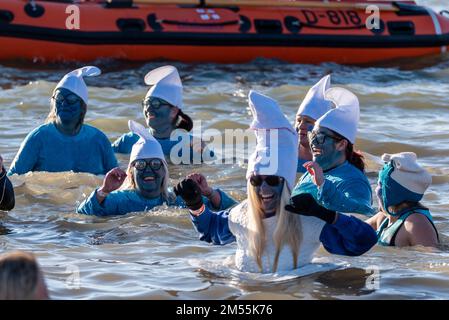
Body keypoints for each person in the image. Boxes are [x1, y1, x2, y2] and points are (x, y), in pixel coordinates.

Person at [175, 90, 377, 274]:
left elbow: (363, 241)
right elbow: (211, 229)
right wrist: (196, 205)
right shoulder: (241, 213)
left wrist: (326, 214)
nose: (263, 188)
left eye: (272, 180)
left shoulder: (307, 221)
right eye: (256, 181)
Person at [77, 120, 236, 216]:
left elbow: (231, 210)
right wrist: (103, 191)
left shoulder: (178, 200)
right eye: (140, 164)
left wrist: (208, 192)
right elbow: (83, 214)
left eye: (155, 164)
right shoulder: (120, 200)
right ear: (131, 173)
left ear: (164, 170)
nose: (148, 169)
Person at [8, 66, 117, 176]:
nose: (64, 104)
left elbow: (117, 180)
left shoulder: (98, 139)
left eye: (71, 100)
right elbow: (13, 179)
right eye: (59, 99)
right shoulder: (38, 138)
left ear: (83, 107)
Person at [289, 87, 374, 218]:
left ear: (341, 144)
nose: (314, 142)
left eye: (321, 137)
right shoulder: (312, 171)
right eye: (313, 136)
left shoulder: (355, 181)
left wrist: (323, 185)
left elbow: (364, 214)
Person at [111, 65, 213, 164]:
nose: (148, 108)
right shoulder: (130, 139)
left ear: (174, 111)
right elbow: (104, 158)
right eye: (146, 103)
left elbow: (217, 172)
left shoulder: (191, 146)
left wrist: (205, 154)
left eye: (156, 104)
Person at [365, 152, 439, 248]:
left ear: (391, 193)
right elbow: (354, 230)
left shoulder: (416, 223)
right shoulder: (384, 218)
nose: (375, 189)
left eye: (380, 185)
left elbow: (431, 258)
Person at [295, 75, 332, 173]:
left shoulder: (333, 162)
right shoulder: (283, 154)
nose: (301, 126)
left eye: (308, 121)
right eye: (298, 120)